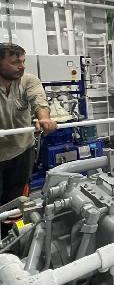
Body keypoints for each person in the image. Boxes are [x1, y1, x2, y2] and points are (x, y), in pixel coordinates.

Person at [0, 43, 57, 204]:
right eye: (15, 62)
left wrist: (44, 118)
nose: (22, 66)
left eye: (23, 61)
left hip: (22, 150)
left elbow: (39, 100)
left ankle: (15, 221)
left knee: (18, 197)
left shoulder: (28, 80)